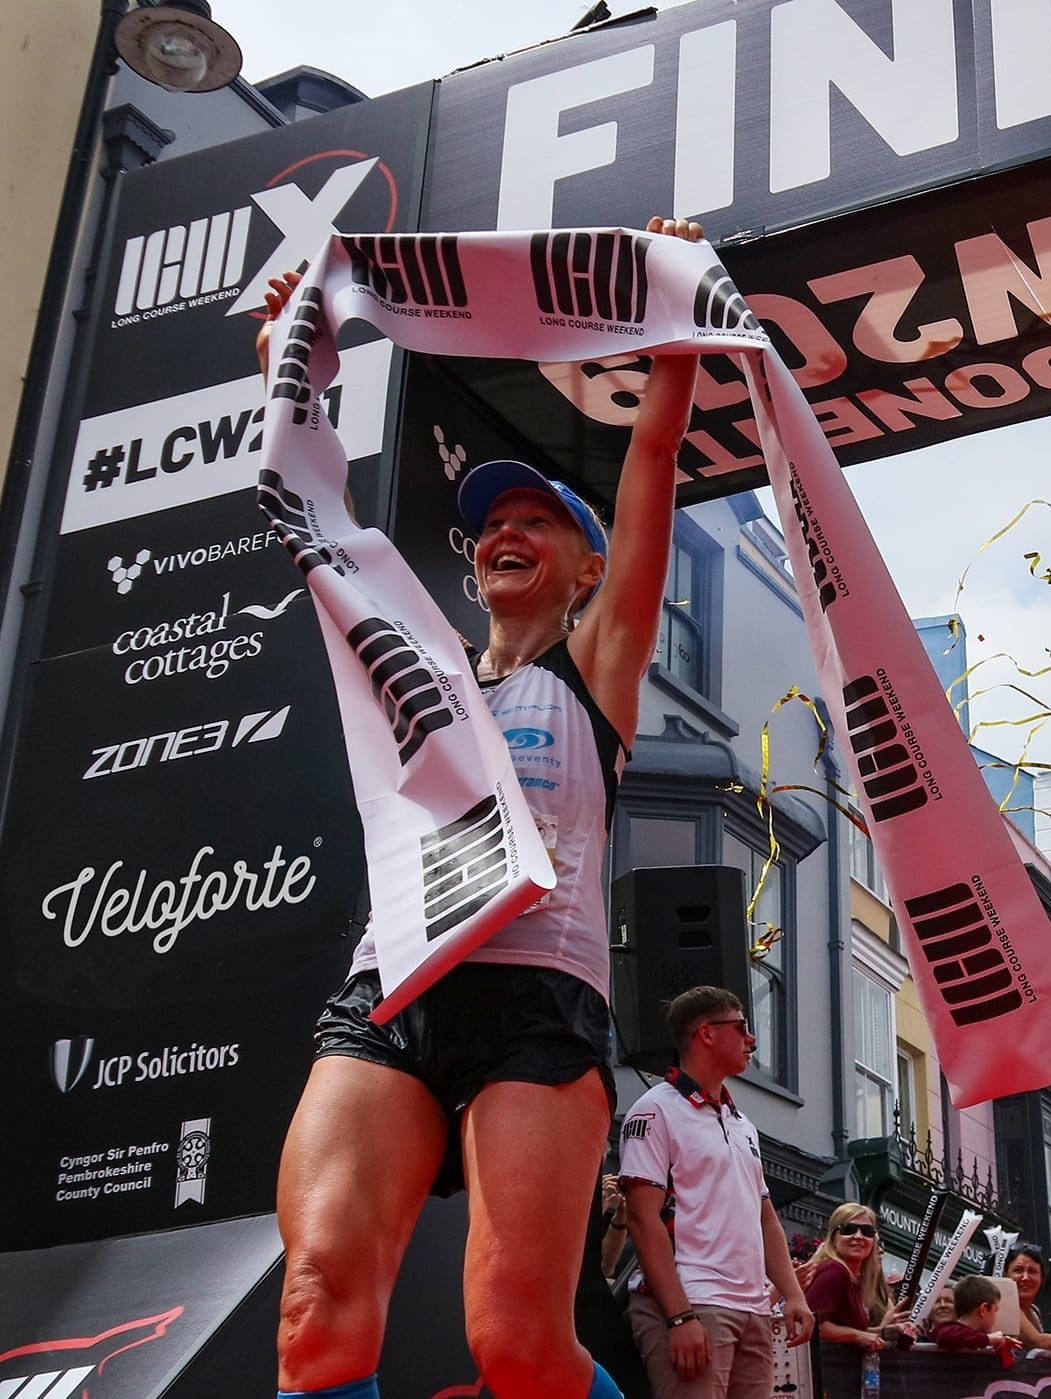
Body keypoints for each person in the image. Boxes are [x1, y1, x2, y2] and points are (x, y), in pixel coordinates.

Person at [264, 217, 706, 1399]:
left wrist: (670, 329)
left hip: (536, 1000)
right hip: (394, 983)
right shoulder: (425, 669)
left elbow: (652, 466)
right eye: (492, 523)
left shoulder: (595, 666)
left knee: (516, 1345)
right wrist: (289, 378)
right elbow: (316, 523)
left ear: (583, 568)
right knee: (314, 1314)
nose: (508, 529)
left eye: (541, 520)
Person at [617, 987, 816, 1399]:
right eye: (742, 1026)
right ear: (706, 1033)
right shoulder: (654, 1110)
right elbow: (641, 1217)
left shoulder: (742, 1123)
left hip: (753, 1310)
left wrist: (793, 1296)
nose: (752, 1039)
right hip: (693, 1301)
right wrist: (678, 1317)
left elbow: (765, 1217)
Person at [804, 1204, 912, 1350]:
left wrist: (885, 1331)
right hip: (824, 1369)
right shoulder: (834, 1270)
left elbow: (848, 1331)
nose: (859, 1236)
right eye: (849, 1229)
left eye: (867, 1232)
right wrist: (858, 1336)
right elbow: (812, 1325)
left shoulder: (855, 1278)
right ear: (834, 1237)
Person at [930, 1276, 1020, 1357]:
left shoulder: (976, 1339)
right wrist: (988, 1339)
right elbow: (947, 1337)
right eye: (995, 1310)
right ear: (983, 1309)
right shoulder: (947, 1329)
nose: (995, 1317)